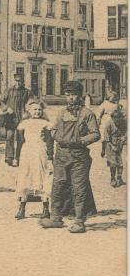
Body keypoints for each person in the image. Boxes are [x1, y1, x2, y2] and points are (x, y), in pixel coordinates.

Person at [40, 80, 100, 234]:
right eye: (68, 95)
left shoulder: (88, 114)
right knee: (58, 186)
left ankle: (79, 221)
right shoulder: (61, 112)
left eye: (73, 95)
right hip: (61, 155)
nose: (70, 98)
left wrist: (81, 141)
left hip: (79, 156)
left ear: (79, 96)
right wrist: (54, 135)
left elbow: (95, 134)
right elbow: (52, 129)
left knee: (79, 187)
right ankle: (55, 218)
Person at [14, 99, 54, 220]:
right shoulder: (24, 124)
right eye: (35, 109)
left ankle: (46, 209)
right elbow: (20, 142)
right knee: (25, 177)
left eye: (39, 110)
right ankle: (22, 208)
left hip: (40, 151)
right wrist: (17, 158)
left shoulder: (45, 124)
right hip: (27, 152)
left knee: (41, 177)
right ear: (29, 110)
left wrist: (50, 158)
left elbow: (49, 142)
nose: (37, 112)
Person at [1, 74, 32, 167]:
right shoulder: (9, 91)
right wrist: (6, 108)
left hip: (22, 119)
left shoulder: (27, 92)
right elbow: (1, 102)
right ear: (13, 81)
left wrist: (27, 112)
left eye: (20, 81)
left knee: (21, 139)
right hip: (10, 118)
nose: (18, 83)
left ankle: (19, 158)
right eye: (16, 81)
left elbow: (32, 103)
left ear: (23, 82)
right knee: (9, 137)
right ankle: (9, 158)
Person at [103, 108, 126, 187]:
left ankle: (119, 178)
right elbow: (106, 139)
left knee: (120, 162)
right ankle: (113, 178)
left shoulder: (124, 123)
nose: (118, 122)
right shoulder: (108, 124)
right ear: (112, 118)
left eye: (120, 119)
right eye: (116, 120)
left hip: (119, 144)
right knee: (113, 163)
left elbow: (126, 132)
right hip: (110, 145)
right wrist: (112, 146)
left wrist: (124, 137)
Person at [96, 90, 120, 158]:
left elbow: (118, 114)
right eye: (111, 96)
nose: (112, 98)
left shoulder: (116, 105)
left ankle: (109, 151)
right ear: (109, 97)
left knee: (112, 137)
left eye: (114, 97)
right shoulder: (104, 103)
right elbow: (99, 114)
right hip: (105, 122)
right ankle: (103, 149)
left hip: (113, 122)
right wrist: (98, 121)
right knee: (104, 138)